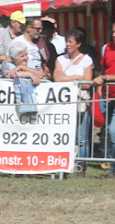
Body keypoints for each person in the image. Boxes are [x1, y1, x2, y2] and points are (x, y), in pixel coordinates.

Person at [54, 28, 93, 177]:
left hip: (80, 101)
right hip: (64, 103)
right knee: (65, 134)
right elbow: (57, 79)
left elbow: (87, 83)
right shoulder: (60, 59)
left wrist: (68, 78)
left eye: (70, 42)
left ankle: (81, 166)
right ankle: (64, 164)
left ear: (79, 44)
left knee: (81, 137)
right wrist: (77, 77)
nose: (67, 44)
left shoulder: (86, 59)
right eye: (66, 41)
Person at [93, 23, 115, 178]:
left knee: (113, 131)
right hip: (107, 96)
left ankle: (112, 167)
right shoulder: (107, 48)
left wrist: (105, 78)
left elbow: (103, 75)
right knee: (107, 131)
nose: (113, 34)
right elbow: (102, 69)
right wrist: (100, 90)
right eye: (113, 31)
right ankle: (111, 168)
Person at [0, 11, 25, 75]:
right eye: (20, 23)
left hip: (20, 72)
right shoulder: (1, 34)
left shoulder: (23, 36)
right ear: (12, 22)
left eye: (23, 24)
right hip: (1, 73)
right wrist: (11, 59)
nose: (22, 26)